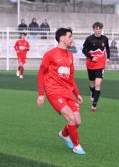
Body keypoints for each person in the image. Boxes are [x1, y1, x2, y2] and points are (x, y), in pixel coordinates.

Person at [37, 27, 86, 155]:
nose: (72, 39)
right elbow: (41, 74)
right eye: (69, 36)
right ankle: (77, 146)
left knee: (78, 122)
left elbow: (70, 77)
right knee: (71, 118)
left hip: (68, 92)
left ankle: (64, 134)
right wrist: (41, 94)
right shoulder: (50, 54)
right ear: (62, 38)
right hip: (54, 92)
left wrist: (77, 93)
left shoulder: (70, 56)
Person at [82, 22, 110, 112]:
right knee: (92, 84)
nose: (98, 30)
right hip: (90, 64)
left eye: (99, 29)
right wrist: (91, 57)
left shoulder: (105, 39)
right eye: (96, 29)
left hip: (100, 65)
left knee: (98, 84)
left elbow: (108, 49)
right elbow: (84, 50)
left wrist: (108, 57)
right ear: (93, 30)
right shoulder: (89, 39)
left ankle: (94, 105)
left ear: (102, 29)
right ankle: (93, 93)